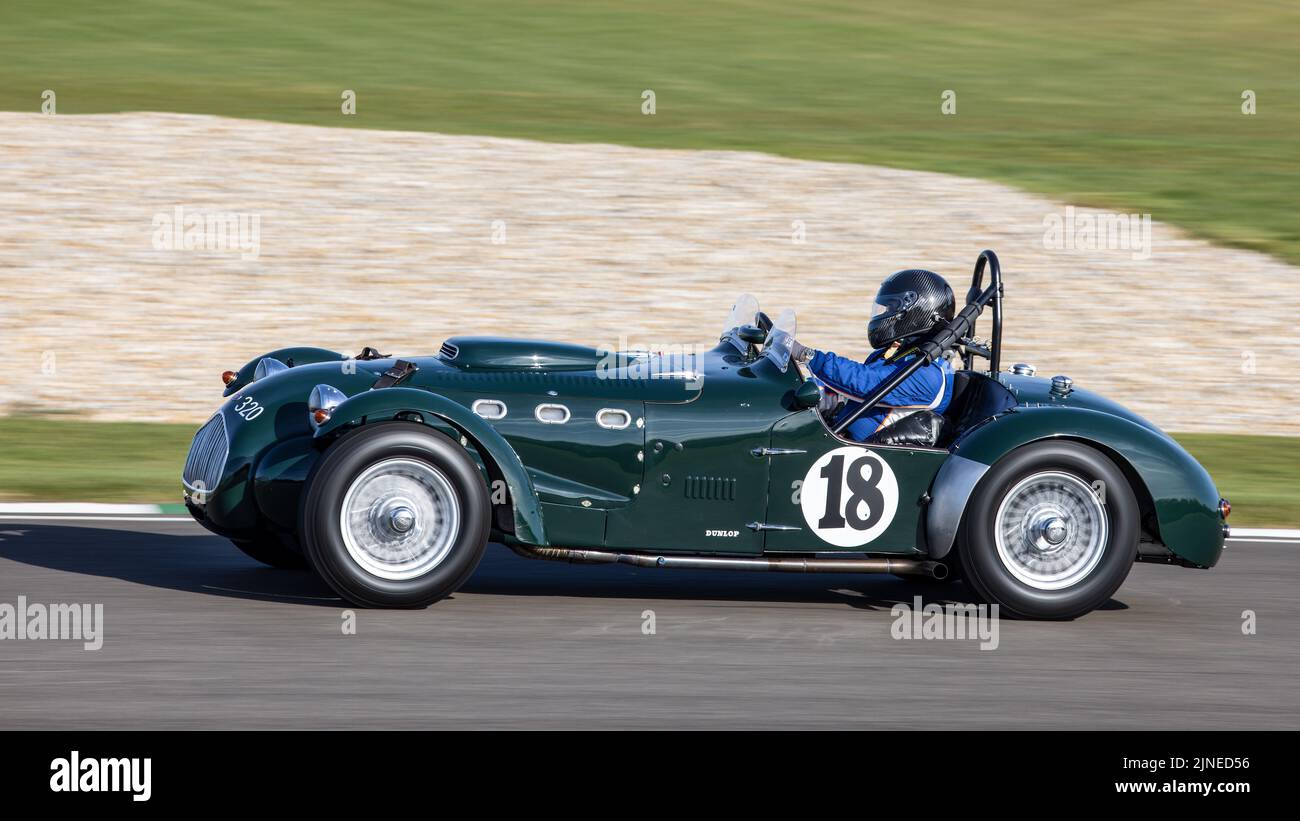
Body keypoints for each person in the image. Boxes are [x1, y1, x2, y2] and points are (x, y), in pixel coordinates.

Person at [790, 269, 956, 442]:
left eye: (892, 307)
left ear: (916, 314)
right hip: (839, 438)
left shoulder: (929, 372)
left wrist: (807, 355)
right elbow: (850, 388)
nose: (885, 314)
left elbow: (866, 382)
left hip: (861, 453)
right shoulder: (900, 354)